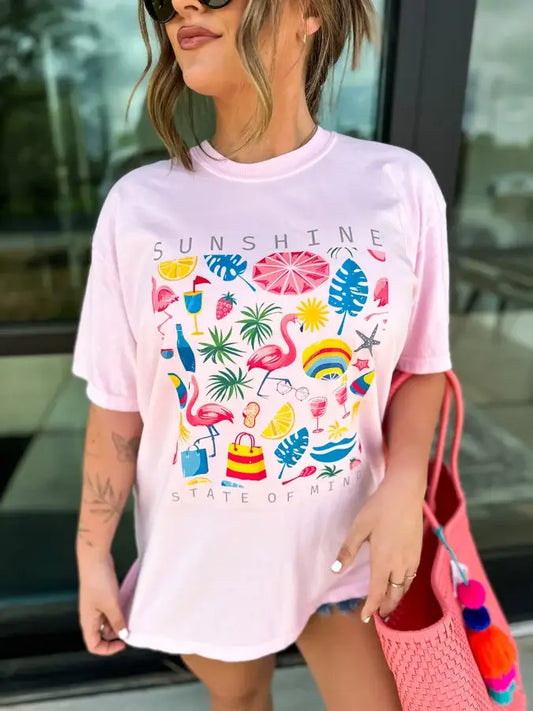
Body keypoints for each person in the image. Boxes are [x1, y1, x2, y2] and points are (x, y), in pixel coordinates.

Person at [72, 0, 452, 709]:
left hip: (350, 543)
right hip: (203, 553)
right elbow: (117, 403)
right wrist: (92, 553)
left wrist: (405, 485)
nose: (183, 5)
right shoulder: (138, 206)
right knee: (240, 700)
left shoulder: (395, 186)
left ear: (310, 12)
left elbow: (423, 365)